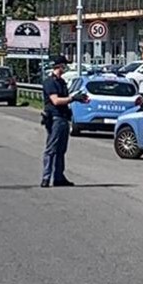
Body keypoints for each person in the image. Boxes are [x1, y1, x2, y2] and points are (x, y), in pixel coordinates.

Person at [41, 55, 86, 187]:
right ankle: (46, 177)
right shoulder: (50, 82)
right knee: (51, 149)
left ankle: (59, 177)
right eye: (64, 65)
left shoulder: (61, 82)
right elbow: (55, 100)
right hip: (55, 118)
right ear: (59, 66)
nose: (66, 67)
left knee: (61, 150)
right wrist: (73, 98)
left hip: (63, 118)